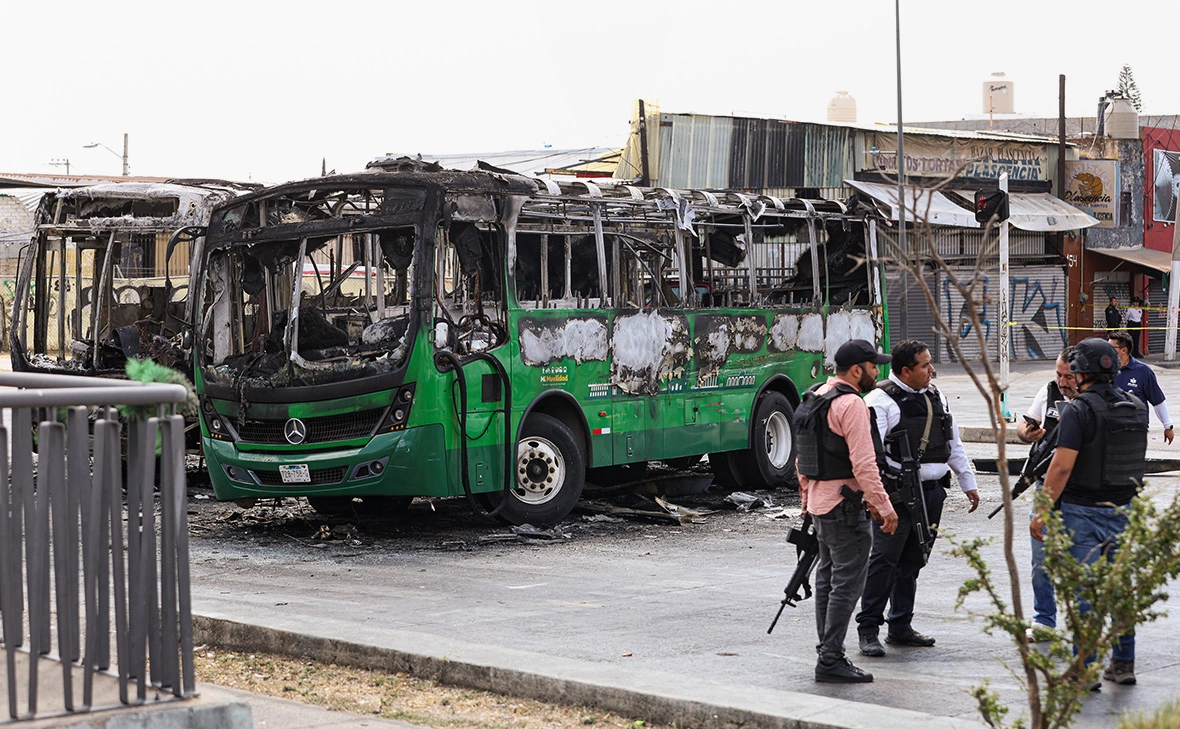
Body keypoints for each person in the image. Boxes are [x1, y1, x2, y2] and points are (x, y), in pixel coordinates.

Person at [1030, 338, 1148, 688]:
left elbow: (1061, 468)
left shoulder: (1078, 410)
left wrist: (1042, 511)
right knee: (1119, 589)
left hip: (1081, 512)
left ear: (1081, 373)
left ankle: (1084, 670)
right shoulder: (1136, 405)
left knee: (1085, 594)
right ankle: (1123, 663)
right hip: (1124, 508)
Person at [856, 339, 980, 657]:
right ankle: (868, 629)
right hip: (896, 494)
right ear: (905, 370)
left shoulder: (935, 396)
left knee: (913, 560)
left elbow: (952, 443)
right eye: (925, 365)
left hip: (932, 493)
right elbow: (869, 454)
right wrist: (877, 498)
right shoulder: (879, 401)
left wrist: (969, 482)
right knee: (884, 561)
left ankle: (900, 626)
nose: (931, 370)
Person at [796, 339, 899, 684]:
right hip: (845, 506)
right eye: (873, 367)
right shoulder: (851, 403)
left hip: (821, 504)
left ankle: (827, 649)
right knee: (846, 584)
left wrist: (806, 502)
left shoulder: (817, 396)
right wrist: (884, 507)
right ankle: (830, 658)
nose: (877, 372)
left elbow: (804, 461)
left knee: (827, 579)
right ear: (857, 370)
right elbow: (865, 464)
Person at [1015, 347, 1078, 638]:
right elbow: (1024, 425)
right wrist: (1027, 432)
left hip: (1082, 492)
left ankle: (1085, 624)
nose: (1063, 382)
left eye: (1069, 376)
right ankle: (1044, 620)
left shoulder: (1096, 399)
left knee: (1083, 563)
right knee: (1041, 560)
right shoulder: (1049, 391)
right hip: (1046, 487)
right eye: (1059, 374)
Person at [1109, 330, 1174, 445]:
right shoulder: (1105, 371)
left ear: (1123, 350)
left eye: (1111, 348)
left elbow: (1157, 400)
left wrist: (1167, 425)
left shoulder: (1143, 371)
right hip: (1110, 429)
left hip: (1135, 430)